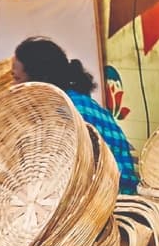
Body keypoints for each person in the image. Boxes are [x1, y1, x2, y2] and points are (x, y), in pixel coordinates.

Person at [12, 37, 139, 194]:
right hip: (125, 194)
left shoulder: (62, 112)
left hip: (110, 200)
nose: (14, 86)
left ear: (40, 79)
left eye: (17, 78)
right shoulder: (83, 102)